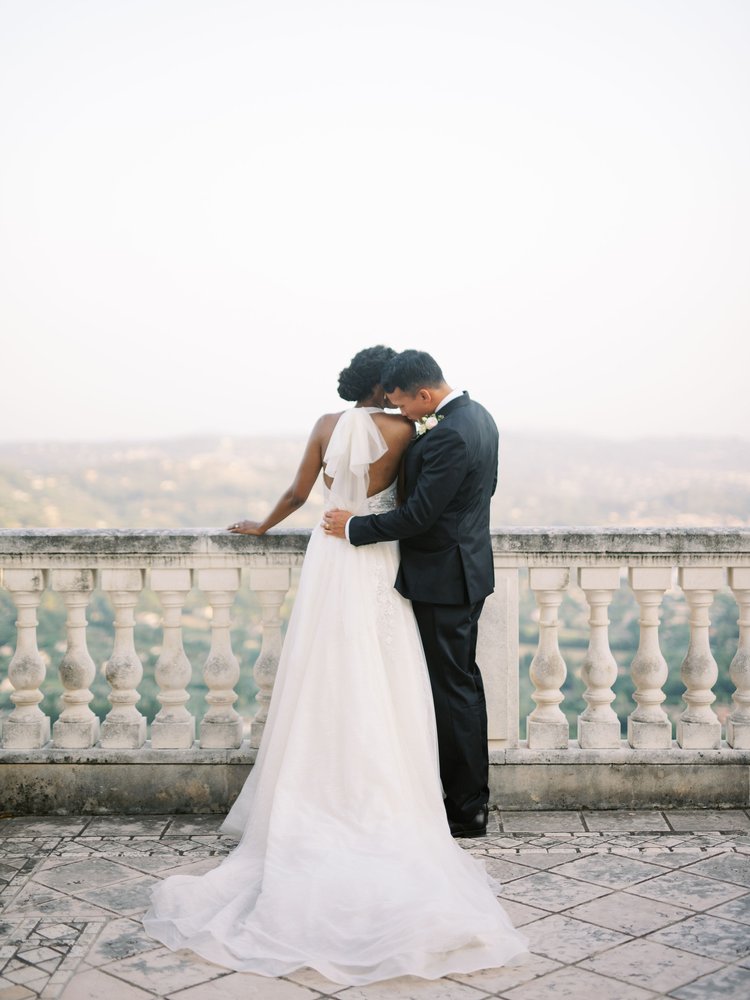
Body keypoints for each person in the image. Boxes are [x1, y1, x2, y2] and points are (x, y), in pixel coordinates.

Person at [142, 346, 528, 986]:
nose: (401, 404)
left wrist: (269, 525)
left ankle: (438, 801)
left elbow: (305, 492)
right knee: (399, 676)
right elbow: (417, 503)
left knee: (331, 669)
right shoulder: (437, 426)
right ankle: (439, 802)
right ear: (389, 389)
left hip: (341, 553)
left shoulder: (332, 426)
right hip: (387, 565)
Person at [324, 350, 497, 839]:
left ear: (424, 394)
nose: (400, 414)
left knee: (452, 691)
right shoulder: (479, 417)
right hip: (465, 569)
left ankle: (466, 810)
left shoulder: (448, 435)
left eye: (402, 404)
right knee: (459, 684)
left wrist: (354, 526)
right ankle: (465, 800)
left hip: (445, 579)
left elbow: (418, 515)